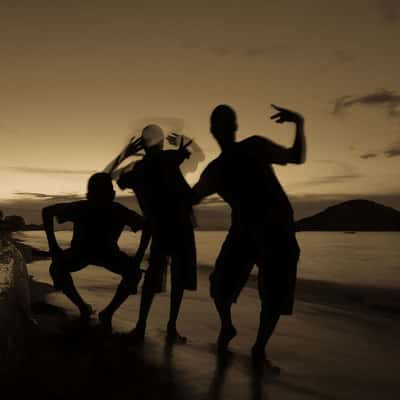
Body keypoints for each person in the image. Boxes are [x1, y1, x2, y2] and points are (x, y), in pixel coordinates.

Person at [192, 104, 306, 370]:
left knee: (272, 295)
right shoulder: (217, 169)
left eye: (224, 124)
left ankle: (258, 348)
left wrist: (299, 123)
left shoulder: (253, 147)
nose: (221, 129)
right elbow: (192, 197)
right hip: (246, 230)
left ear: (231, 127)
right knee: (219, 286)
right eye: (218, 124)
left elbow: (296, 157)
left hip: (276, 229)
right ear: (215, 130)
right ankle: (230, 328)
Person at [117, 124, 197, 343]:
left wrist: (125, 156)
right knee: (175, 278)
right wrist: (184, 150)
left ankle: (142, 325)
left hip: (160, 226)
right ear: (161, 143)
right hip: (178, 225)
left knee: (154, 276)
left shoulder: (140, 169)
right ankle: (169, 326)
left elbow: (113, 178)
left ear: (143, 145)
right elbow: (192, 155)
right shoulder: (167, 159)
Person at [42, 172, 147, 330]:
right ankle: (84, 307)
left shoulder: (105, 209)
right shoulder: (85, 208)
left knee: (134, 273)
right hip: (82, 253)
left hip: (106, 254)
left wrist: (138, 257)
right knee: (56, 268)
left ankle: (106, 312)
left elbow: (47, 211)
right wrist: (53, 247)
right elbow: (47, 212)